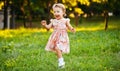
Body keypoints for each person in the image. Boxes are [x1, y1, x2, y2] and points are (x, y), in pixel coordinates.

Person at [41, 3, 75, 68]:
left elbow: (69, 26)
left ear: (63, 12)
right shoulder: (53, 21)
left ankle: (61, 62)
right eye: (54, 12)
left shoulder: (65, 20)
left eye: (58, 11)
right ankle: (61, 61)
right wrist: (45, 25)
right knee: (57, 50)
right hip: (55, 37)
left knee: (57, 48)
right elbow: (48, 27)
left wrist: (72, 29)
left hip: (63, 37)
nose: (56, 13)